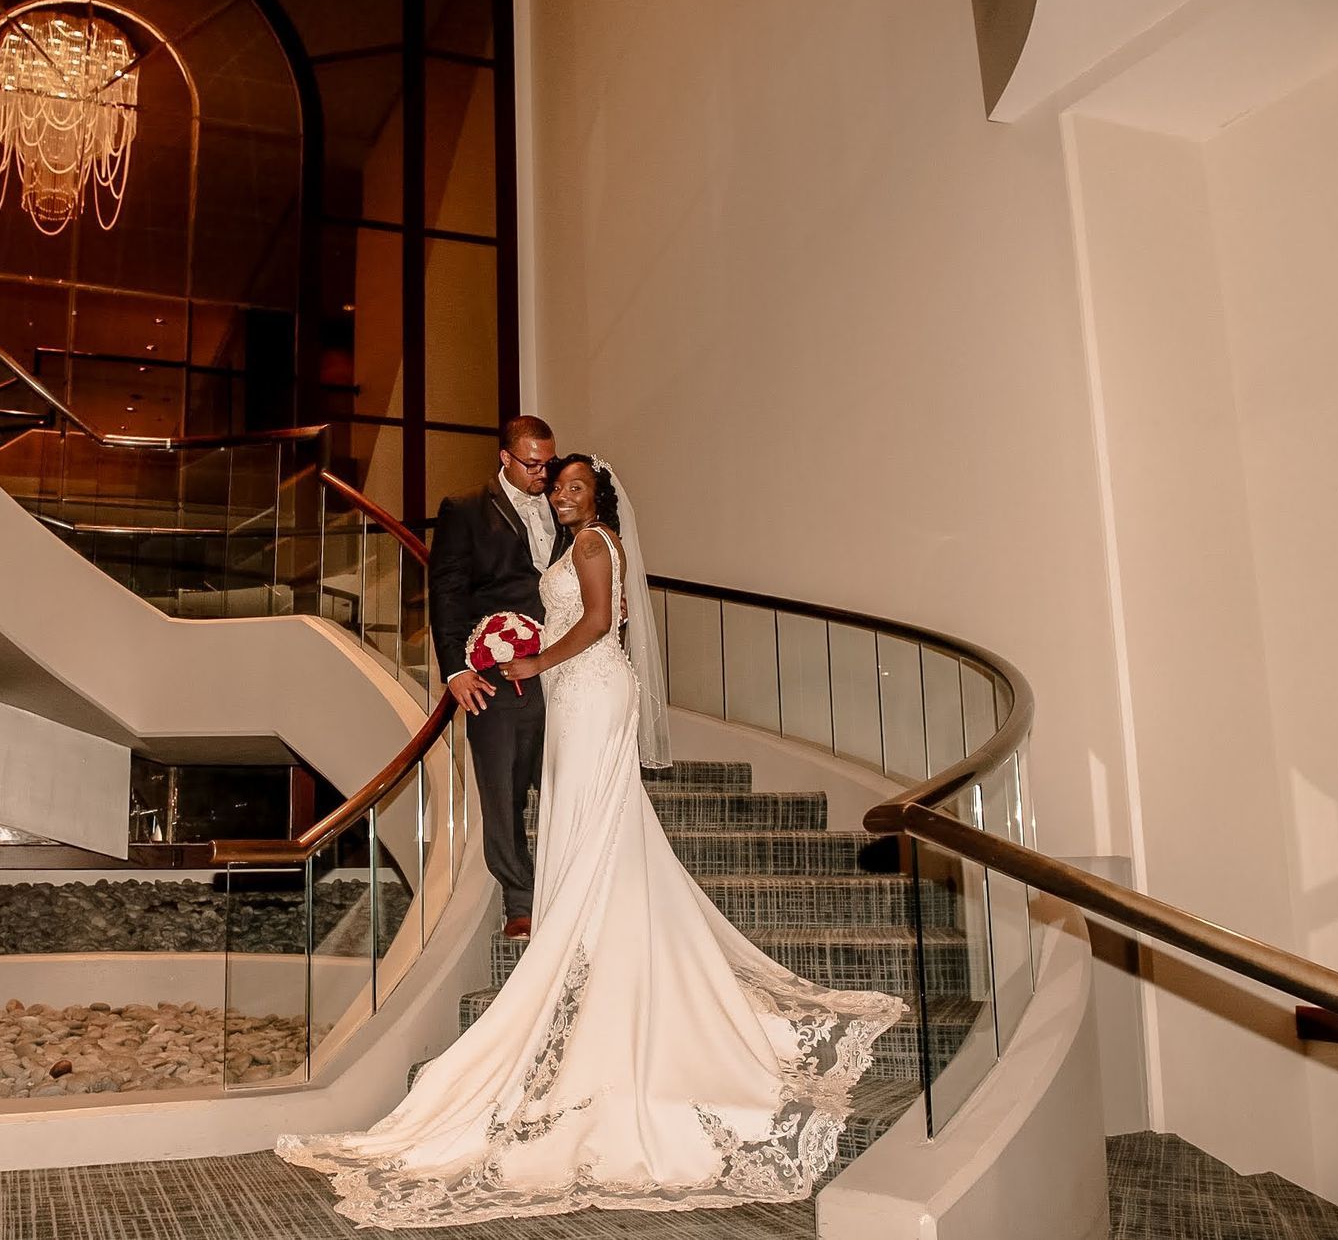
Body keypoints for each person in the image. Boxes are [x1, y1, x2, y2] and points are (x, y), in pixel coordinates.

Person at [277, 455, 905, 1229]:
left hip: (593, 687)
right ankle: (591, 928)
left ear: (598, 495)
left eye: (576, 485)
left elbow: (601, 623)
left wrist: (535, 658)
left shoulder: (597, 544)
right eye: (558, 484)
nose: (564, 493)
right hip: (571, 697)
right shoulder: (569, 546)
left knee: (596, 810)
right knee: (585, 816)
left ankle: (584, 934)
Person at [426, 415, 563, 939]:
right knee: (502, 788)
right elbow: (448, 590)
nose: (542, 473)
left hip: (560, 666)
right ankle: (520, 900)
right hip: (496, 672)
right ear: (504, 456)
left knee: (562, 779)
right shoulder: (463, 510)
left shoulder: (563, 503)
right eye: (532, 463)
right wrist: (456, 668)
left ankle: (570, 884)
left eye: (547, 462)